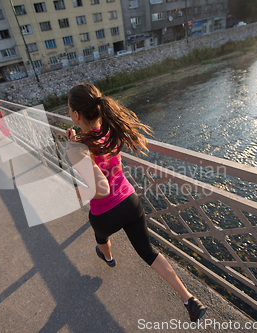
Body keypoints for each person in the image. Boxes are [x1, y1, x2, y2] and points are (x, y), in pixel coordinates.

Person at [65, 83, 207, 322]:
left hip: (104, 214)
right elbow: (97, 148)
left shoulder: (76, 149)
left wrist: (77, 192)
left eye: (69, 110)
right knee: (148, 252)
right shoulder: (110, 129)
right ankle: (189, 299)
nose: (68, 114)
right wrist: (75, 138)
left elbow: (100, 188)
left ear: (76, 115)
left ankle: (108, 258)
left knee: (101, 237)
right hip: (131, 202)